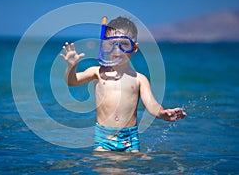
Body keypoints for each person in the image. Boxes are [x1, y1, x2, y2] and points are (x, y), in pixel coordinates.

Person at [60, 16, 187, 152]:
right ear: (104, 46)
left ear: (135, 48)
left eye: (124, 44)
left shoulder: (139, 79)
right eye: (111, 44)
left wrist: (162, 113)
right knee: (104, 168)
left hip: (130, 139)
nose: (117, 49)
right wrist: (71, 67)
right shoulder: (97, 72)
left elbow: (152, 105)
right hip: (104, 138)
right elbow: (71, 81)